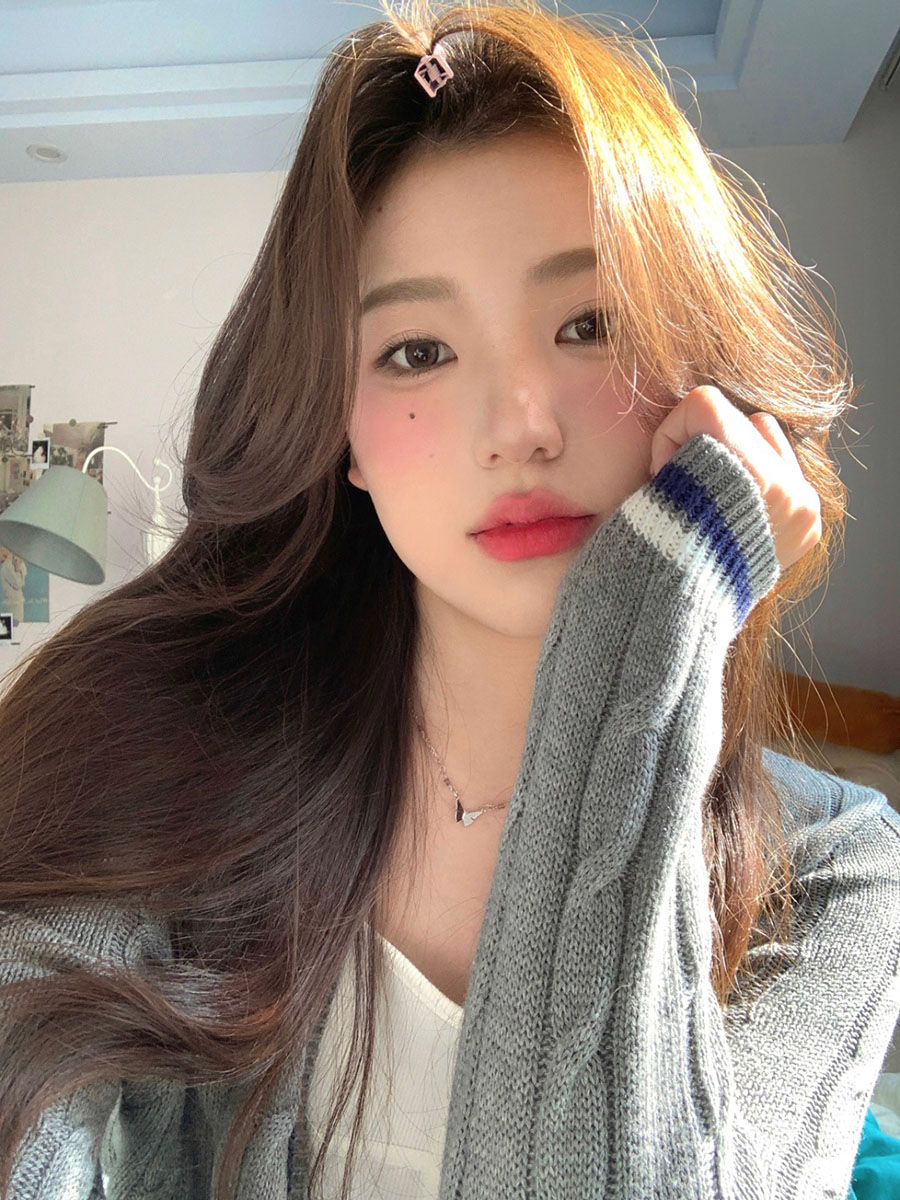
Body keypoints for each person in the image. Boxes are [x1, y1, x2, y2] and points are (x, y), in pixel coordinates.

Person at [0, 1, 897, 1197]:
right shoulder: (178, 770)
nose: (518, 426)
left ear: (709, 379)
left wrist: (651, 622)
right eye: (416, 351)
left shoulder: (834, 870)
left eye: (591, 324)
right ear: (344, 439)